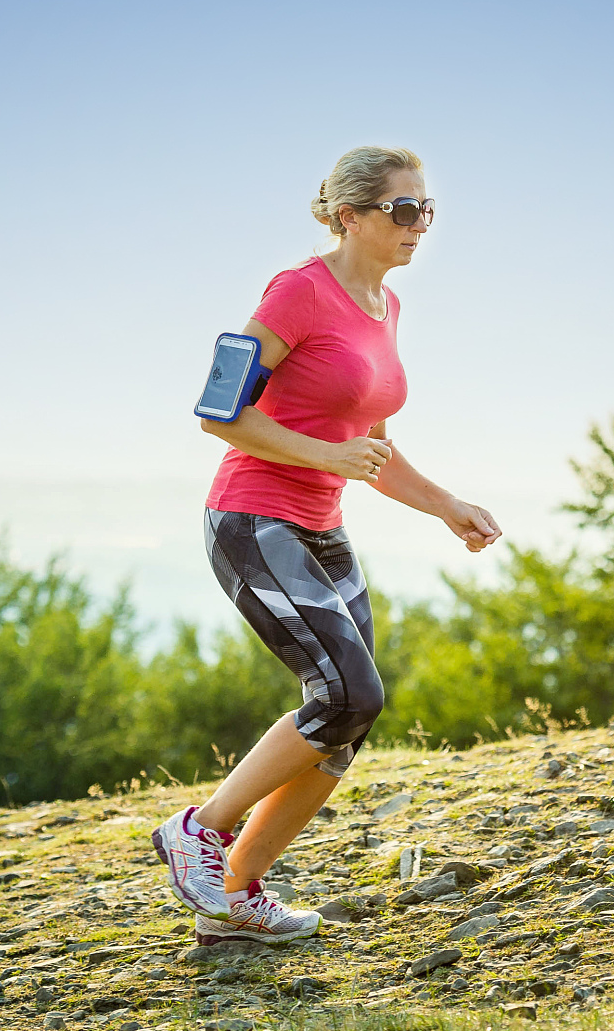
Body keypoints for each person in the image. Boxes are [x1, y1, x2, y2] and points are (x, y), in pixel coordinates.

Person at [152, 145, 502, 944]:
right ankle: (197, 830)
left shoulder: (387, 307)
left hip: (324, 527)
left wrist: (446, 505)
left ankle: (234, 898)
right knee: (348, 693)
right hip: (253, 518)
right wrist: (326, 455)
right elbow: (217, 410)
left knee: (348, 721)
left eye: (426, 208)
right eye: (403, 208)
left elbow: (372, 448)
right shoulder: (298, 291)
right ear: (350, 215)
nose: (420, 223)